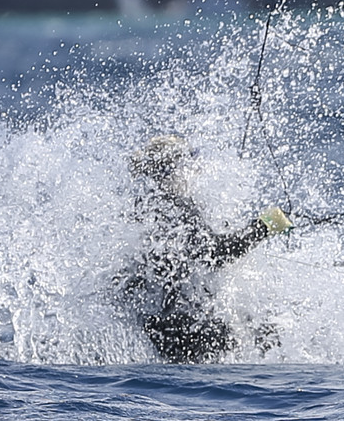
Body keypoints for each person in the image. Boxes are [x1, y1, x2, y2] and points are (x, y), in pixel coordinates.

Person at [120, 135, 294, 363]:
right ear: (171, 169)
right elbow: (215, 254)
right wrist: (265, 225)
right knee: (268, 335)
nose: (196, 168)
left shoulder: (145, 205)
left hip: (161, 327)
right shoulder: (176, 207)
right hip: (188, 332)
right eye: (190, 160)